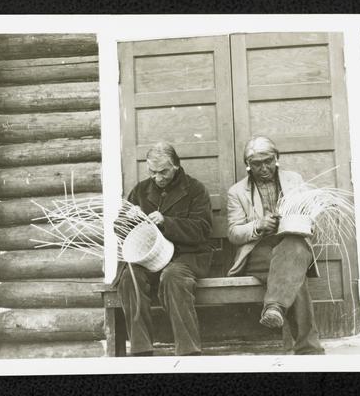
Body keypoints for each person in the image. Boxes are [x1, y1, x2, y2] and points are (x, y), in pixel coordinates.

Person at [112, 142, 213, 356]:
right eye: (152, 172)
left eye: (163, 172)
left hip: (185, 256)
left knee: (173, 276)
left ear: (176, 165)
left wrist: (166, 222)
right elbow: (119, 229)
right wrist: (129, 220)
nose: (158, 178)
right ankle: (141, 351)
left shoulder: (195, 189)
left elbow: (202, 229)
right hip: (147, 260)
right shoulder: (140, 190)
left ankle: (188, 352)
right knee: (129, 278)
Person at [226, 136, 325, 355]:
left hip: (292, 241)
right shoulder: (237, 191)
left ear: (277, 158)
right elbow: (233, 232)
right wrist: (258, 226)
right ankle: (308, 349)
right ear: (248, 166)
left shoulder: (294, 179)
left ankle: (274, 307)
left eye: (268, 161)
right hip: (259, 249)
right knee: (293, 273)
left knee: (293, 252)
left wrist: (300, 220)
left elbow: (310, 215)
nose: (264, 168)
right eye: (256, 164)